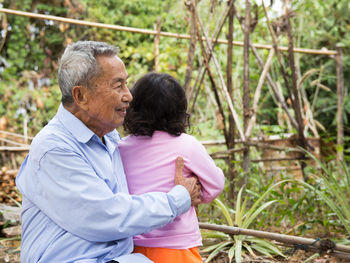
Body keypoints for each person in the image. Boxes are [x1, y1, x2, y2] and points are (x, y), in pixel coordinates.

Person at [15, 41, 201, 263]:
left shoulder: (110, 138)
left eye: (127, 84)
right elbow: (106, 215)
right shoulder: (54, 148)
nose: (128, 96)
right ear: (81, 96)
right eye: (118, 85)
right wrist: (178, 199)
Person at [119, 72, 225, 263]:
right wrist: (191, 195)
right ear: (179, 110)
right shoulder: (187, 146)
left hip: (130, 249)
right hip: (177, 248)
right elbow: (216, 184)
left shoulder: (121, 148)